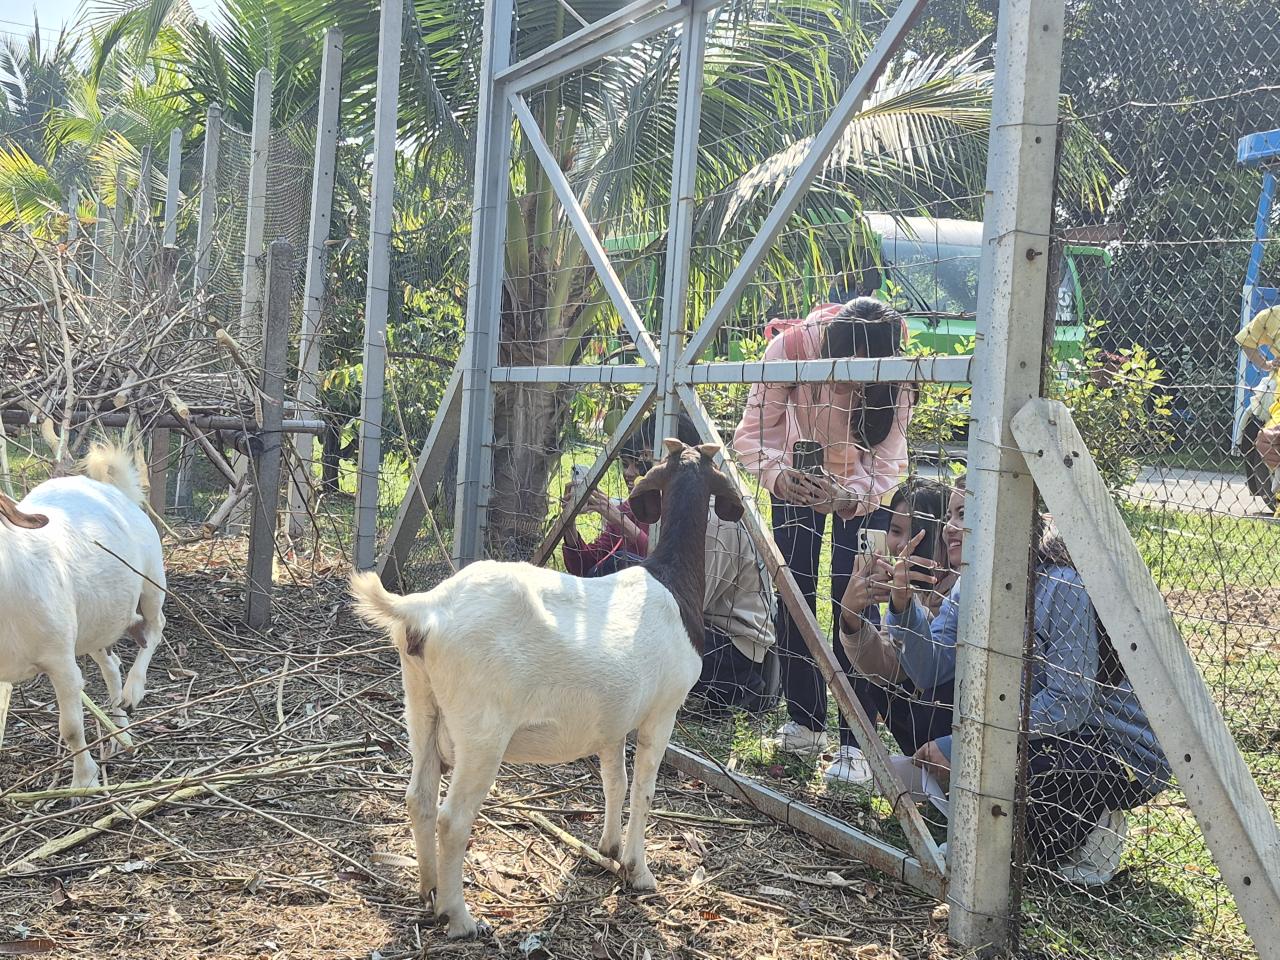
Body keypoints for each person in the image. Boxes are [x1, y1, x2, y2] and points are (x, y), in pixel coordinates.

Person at [872, 478, 1172, 884]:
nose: (949, 527)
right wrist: (902, 603)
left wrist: (967, 741)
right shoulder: (971, 581)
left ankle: (1096, 826)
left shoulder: (1061, 583)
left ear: (1004, 516)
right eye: (948, 515)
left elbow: (1069, 705)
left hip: (1113, 747)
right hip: (1038, 725)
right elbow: (930, 671)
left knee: (1025, 762)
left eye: (963, 514)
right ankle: (994, 820)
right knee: (925, 703)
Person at [732, 296, 913, 784]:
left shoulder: (900, 375)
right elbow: (751, 435)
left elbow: (889, 464)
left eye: (863, 376)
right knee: (795, 593)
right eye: (844, 370)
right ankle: (804, 721)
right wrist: (777, 476)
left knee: (857, 601)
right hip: (797, 476)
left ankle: (856, 740)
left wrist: (849, 497)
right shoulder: (790, 347)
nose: (851, 384)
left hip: (863, 492)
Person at [562, 415, 778, 714]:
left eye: (642, 463)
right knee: (613, 573)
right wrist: (569, 525)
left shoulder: (712, 518)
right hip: (690, 623)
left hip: (730, 646)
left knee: (624, 581)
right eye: (626, 463)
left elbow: (688, 601)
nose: (630, 473)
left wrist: (621, 523)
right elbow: (591, 568)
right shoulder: (645, 502)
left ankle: (731, 690)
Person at [836, 478, 957, 755]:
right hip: (924, 718)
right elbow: (888, 668)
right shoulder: (904, 588)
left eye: (918, 533)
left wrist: (908, 609)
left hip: (954, 717)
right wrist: (851, 616)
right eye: (895, 530)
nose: (902, 545)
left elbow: (929, 666)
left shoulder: (961, 588)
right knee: (883, 689)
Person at [1235, 302, 1280, 470]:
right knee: (1270, 439)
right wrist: (1266, 364)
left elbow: (1247, 340)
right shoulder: (1273, 314)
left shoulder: (1273, 314)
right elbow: (1247, 340)